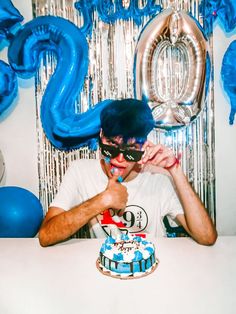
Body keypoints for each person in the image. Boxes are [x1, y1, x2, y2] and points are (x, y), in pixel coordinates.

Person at [38, 98, 217, 247]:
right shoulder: (80, 171)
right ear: (101, 136)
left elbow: (206, 237)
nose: (119, 160)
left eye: (131, 152)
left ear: (143, 145)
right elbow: (46, 236)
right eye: (111, 149)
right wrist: (102, 200)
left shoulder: (159, 177)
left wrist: (175, 170)